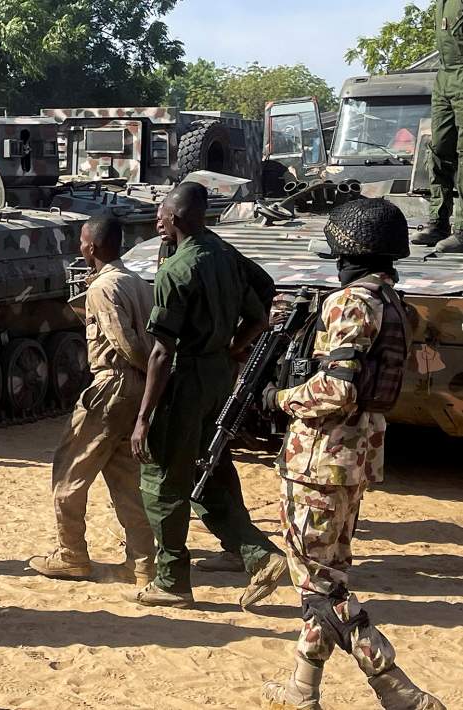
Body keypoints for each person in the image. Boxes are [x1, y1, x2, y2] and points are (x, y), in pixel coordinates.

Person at [261, 198, 445, 710]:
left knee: (321, 589)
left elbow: (338, 390)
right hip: (357, 458)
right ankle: (302, 689)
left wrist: (280, 398)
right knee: (328, 576)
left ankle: (396, 687)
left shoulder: (351, 302)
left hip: (319, 459)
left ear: (350, 254)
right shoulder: (396, 305)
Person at [128, 182, 287, 609]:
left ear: (176, 218)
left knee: (162, 480)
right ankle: (256, 554)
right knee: (208, 469)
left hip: (186, 380)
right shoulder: (223, 253)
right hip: (219, 374)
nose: (157, 220)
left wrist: (143, 418)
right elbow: (262, 309)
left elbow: (162, 352)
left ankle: (172, 581)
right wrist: (234, 348)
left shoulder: (176, 271)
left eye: (161, 214)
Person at [28, 215, 156, 586]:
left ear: (92, 247)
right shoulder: (137, 282)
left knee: (68, 471)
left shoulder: (102, 288)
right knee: (125, 477)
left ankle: (71, 555)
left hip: (113, 384)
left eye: (82, 242)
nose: (80, 247)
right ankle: (142, 562)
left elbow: (123, 341)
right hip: (136, 389)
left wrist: (139, 371)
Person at [414, 1, 463, 254]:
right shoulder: (442, 4)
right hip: (444, 78)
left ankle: (462, 230)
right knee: (439, 149)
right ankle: (438, 222)